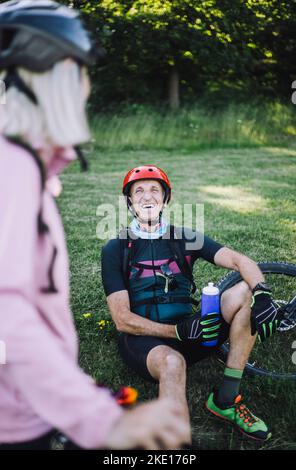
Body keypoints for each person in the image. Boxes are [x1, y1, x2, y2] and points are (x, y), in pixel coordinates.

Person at [0, 1, 190, 450]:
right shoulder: (12, 171)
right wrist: (100, 420)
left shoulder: (29, 168)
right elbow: (8, 315)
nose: (87, 88)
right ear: (50, 77)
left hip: (33, 402)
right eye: (80, 72)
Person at [102, 164, 284, 442]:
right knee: (173, 363)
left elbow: (240, 261)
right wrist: (175, 332)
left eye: (155, 190)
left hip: (195, 331)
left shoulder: (185, 238)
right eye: (139, 191)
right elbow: (122, 319)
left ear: (165, 199)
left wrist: (263, 293)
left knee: (244, 293)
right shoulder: (115, 248)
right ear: (129, 201)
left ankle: (225, 399)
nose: (147, 197)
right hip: (144, 341)